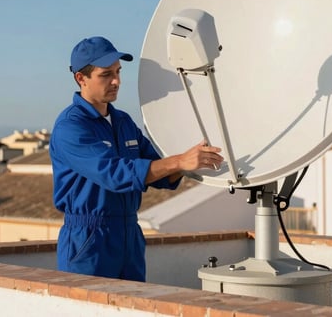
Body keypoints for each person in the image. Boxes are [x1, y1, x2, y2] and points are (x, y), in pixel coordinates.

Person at [50, 36, 224, 282]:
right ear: (81, 78)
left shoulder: (123, 122)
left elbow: (158, 170)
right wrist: (178, 161)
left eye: (119, 72)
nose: (116, 81)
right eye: (106, 74)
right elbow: (115, 174)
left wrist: (191, 160)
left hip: (129, 234)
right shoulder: (71, 127)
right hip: (88, 239)